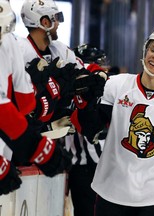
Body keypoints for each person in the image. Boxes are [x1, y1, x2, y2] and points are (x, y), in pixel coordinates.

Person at [71, 29, 154, 216]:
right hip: (111, 191)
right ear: (144, 51)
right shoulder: (115, 86)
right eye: (152, 49)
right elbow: (90, 130)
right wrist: (84, 103)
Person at [0, 0, 72, 195]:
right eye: (55, 18)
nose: (59, 23)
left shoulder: (56, 49)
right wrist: (40, 148)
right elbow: (22, 105)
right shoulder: (13, 44)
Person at [64, 44, 108, 216]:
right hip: (87, 167)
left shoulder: (69, 84)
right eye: (101, 62)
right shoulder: (87, 85)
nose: (105, 66)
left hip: (86, 166)